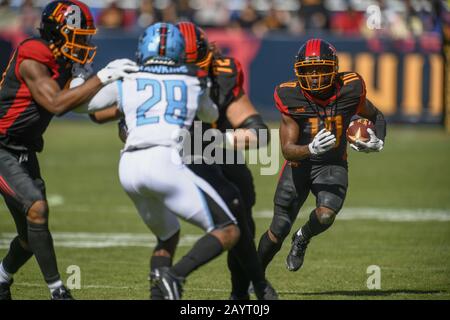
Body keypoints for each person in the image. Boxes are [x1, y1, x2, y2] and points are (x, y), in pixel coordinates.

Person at [86, 22, 240, 300]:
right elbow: (209, 115)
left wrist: (100, 80)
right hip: (164, 161)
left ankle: (159, 294)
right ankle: (175, 275)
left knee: (167, 236)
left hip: (129, 166)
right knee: (228, 230)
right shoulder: (193, 79)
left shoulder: (128, 77)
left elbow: (90, 106)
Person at [0, 0, 136, 300]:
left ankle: (1, 278)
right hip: (2, 148)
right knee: (37, 209)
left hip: (23, 150)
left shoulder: (63, 61)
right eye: (79, 35)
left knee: (27, 238)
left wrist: (127, 109)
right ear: (57, 31)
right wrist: (102, 77)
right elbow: (56, 105)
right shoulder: (33, 55)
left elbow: (91, 113)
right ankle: (58, 291)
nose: (85, 42)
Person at [257, 38, 386, 275]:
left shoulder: (351, 87)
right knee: (278, 229)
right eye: (308, 70)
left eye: (321, 69)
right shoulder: (289, 95)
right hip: (299, 165)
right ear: (299, 72)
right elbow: (287, 149)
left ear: (334, 68)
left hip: (332, 164)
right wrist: (310, 149)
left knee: (326, 215)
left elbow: (376, 115)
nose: (315, 76)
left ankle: (303, 237)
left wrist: (379, 140)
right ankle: (253, 277)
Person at [176, 21, 277, 300]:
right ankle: (169, 279)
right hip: (169, 154)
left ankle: (239, 294)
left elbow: (260, 133)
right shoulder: (149, 76)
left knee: (242, 208)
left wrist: (218, 140)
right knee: (168, 229)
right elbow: (125, 129)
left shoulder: (222, 73)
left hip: (214, 149)